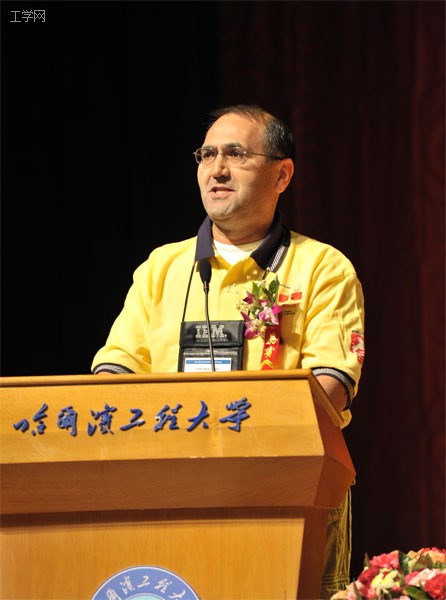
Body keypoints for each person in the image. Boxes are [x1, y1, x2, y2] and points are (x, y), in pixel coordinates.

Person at [91, 104, 365, 598]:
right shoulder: (161, 268)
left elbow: (330, 390)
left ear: (282, 175)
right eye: (207, 155)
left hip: (284, 497)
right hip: (168, 495)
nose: (216, 169)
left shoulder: (323, 268)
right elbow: (115, 375)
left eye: (236, 154)